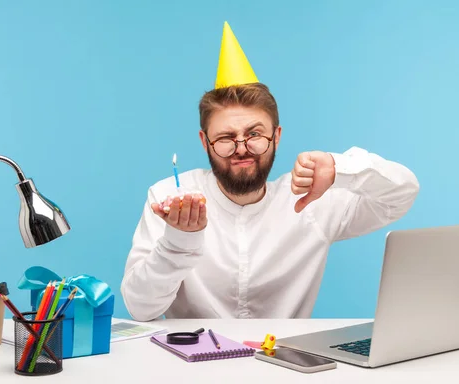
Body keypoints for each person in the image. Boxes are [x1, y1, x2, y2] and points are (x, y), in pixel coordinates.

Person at [121, 22, 419, 322]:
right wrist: (178, 241)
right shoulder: (170, 199)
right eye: (226, 138)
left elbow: (402, 193)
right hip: (194, 362)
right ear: (205, 142)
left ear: (276, 137)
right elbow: (140, 307)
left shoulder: (312, 202)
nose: (241, 148)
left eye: (254, 134)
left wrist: (341, 169)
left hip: (286, 364)